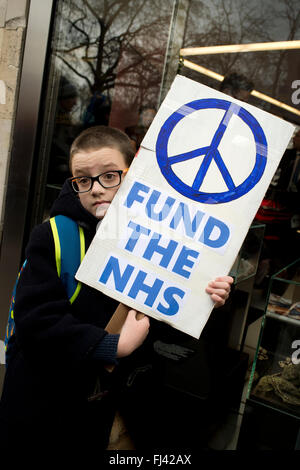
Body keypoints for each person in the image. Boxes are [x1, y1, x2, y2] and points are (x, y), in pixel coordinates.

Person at [0, 125, 233, 456]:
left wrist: (206, 296)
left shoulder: (156, 240)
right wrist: (113, 345)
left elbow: (167, 331)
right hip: (41, 408)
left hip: (100, 408)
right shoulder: (54, 236)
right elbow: (35, 322)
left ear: (134, 172)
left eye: (110, 176)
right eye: (83, 179)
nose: (96, 189)